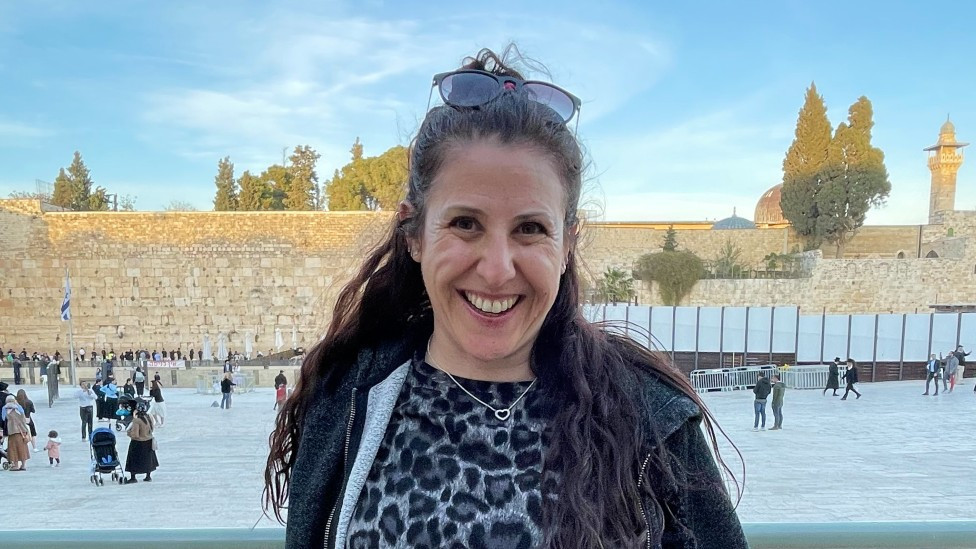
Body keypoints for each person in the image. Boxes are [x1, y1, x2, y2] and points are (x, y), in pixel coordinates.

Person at [264, 48, 746, 549]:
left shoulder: (648, 417)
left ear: (567, 245)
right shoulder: (345, 399)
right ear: (414, 234)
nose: (497, 270)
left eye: (530, 229)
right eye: (465, 223)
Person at [123, 405, 158, 483]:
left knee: (133, 459)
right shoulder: (148, 417)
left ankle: (133, 478)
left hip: (138, 443)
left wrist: (129, 433)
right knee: (147, 459)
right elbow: (152, 429)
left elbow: (135, 435)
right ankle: (148, 476)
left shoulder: (137, 421)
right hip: (148, 441)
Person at [2, 395, 30, 470]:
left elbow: (3, 418)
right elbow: (23, 417)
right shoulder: (19, 407)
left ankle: (16, 465)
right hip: (22, 431)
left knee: (13, 449)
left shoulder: (5, 408)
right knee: (22, 448)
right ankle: (23, 465)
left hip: (12, 431)